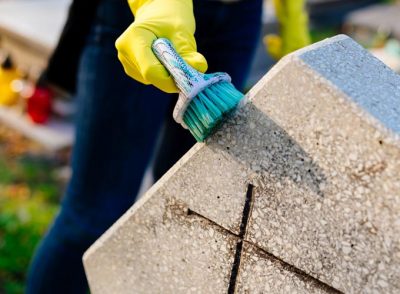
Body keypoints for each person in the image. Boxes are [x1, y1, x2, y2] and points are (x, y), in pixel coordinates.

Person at [26, 0, 262, 292]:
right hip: (143, 17)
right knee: (92, 217)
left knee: (187, 210)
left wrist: (291, 16)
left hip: (241, 15)